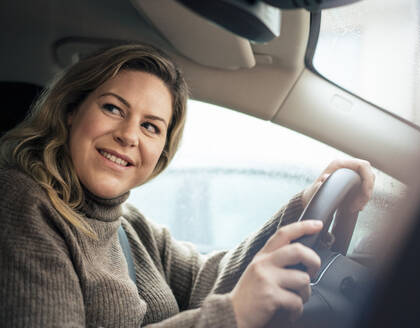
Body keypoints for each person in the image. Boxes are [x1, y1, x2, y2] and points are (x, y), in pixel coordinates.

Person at [0, 43, 375, 328]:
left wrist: (304, 204)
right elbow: (224, 303)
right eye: (113, 108)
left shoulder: (126, 226)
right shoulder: (23, 204)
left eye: (151, 126)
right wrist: (231, 314)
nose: (129, 135)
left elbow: (205, 281)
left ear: (162, 149)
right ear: (71, 112)